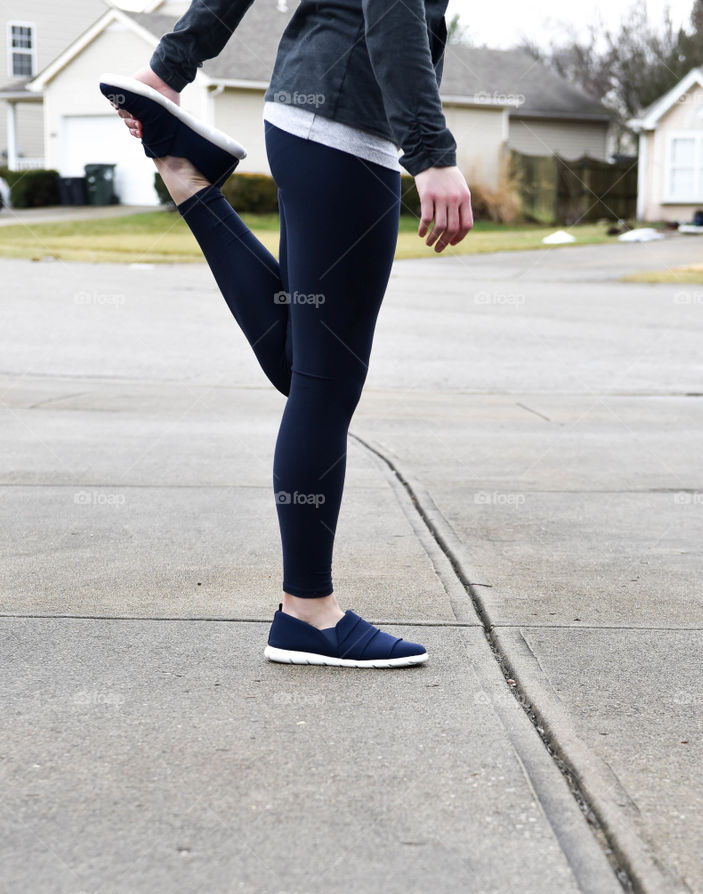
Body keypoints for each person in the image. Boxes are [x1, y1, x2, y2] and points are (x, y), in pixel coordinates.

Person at [104, 0, 473, 667]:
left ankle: (187, 179)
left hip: (306, 118)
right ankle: (307, 611)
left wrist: (170, 65)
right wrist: (432, 155)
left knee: (307, 368)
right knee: (325, 384)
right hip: (348, 129)